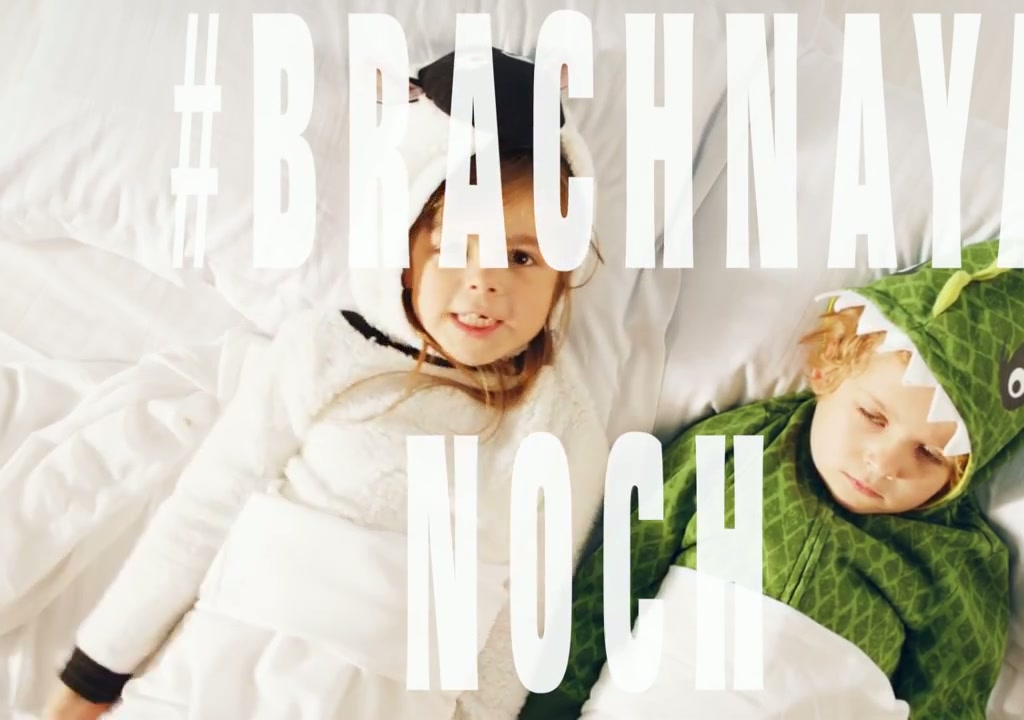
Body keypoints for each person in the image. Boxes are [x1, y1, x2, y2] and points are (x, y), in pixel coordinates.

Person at [43, 48, 610, 720]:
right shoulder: (326, 352)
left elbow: (525, 618)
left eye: (521, 256)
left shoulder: (558, 420)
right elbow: (202, 511)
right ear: (403, 253)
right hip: (225, 671)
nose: (486, 282)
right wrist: (92, 678)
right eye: (457, 247)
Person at [519, 200, 1024, 719]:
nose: (884, 462)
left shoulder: (956, 564)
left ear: (964, 472)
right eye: (873, 417)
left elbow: (949, 705)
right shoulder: (736, 450)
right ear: (829, 368)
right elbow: (616, 580)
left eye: (929, 453)